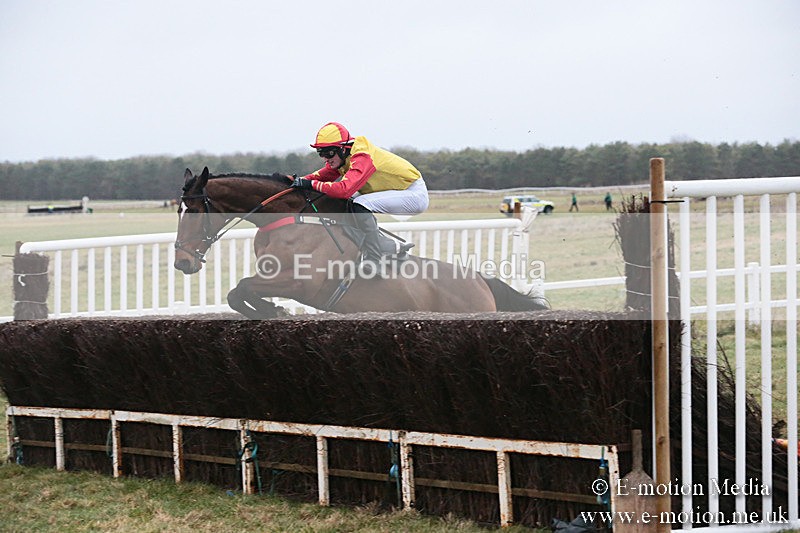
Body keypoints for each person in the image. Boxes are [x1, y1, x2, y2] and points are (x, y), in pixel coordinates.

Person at [291, 122, 429, 259]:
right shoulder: (343, 157)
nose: (326, 158)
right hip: (398, 191)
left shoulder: (363, 156)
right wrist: (290, 182)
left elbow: (343, 190)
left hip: (413, 194)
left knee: (359, 203)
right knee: (344, 203)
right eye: (321, 153)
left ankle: (374, 258)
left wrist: (310, 184)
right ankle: (388, 245)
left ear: (343, 149)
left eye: (329, 153)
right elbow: (319, 177)